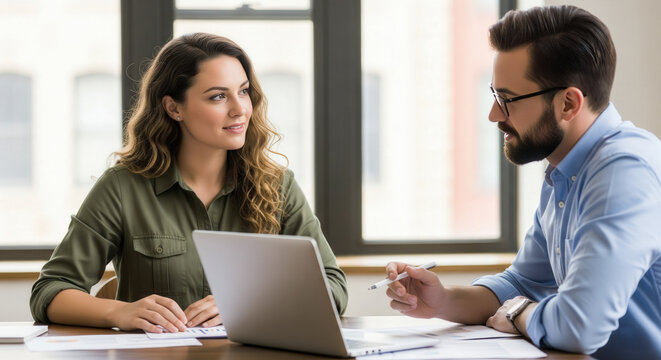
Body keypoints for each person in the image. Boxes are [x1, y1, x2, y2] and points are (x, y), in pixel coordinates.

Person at [384, 6, 661, 359]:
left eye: (508, 100)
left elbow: (579, 326)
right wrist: (442, 300)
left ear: (568, 104)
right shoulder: (563, 172)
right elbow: (521, 283)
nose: (494, 114)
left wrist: (519, 312)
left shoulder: (623, 172)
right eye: (494, 94)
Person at [30, 33, 348, 333]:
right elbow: (51, 290)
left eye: (243, 91)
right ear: (174, 107)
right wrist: (119, 312)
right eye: (218, 96)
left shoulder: (277, 185)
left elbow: (332, 286)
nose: (240, 109)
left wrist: (252, 305)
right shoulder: (122, 188)